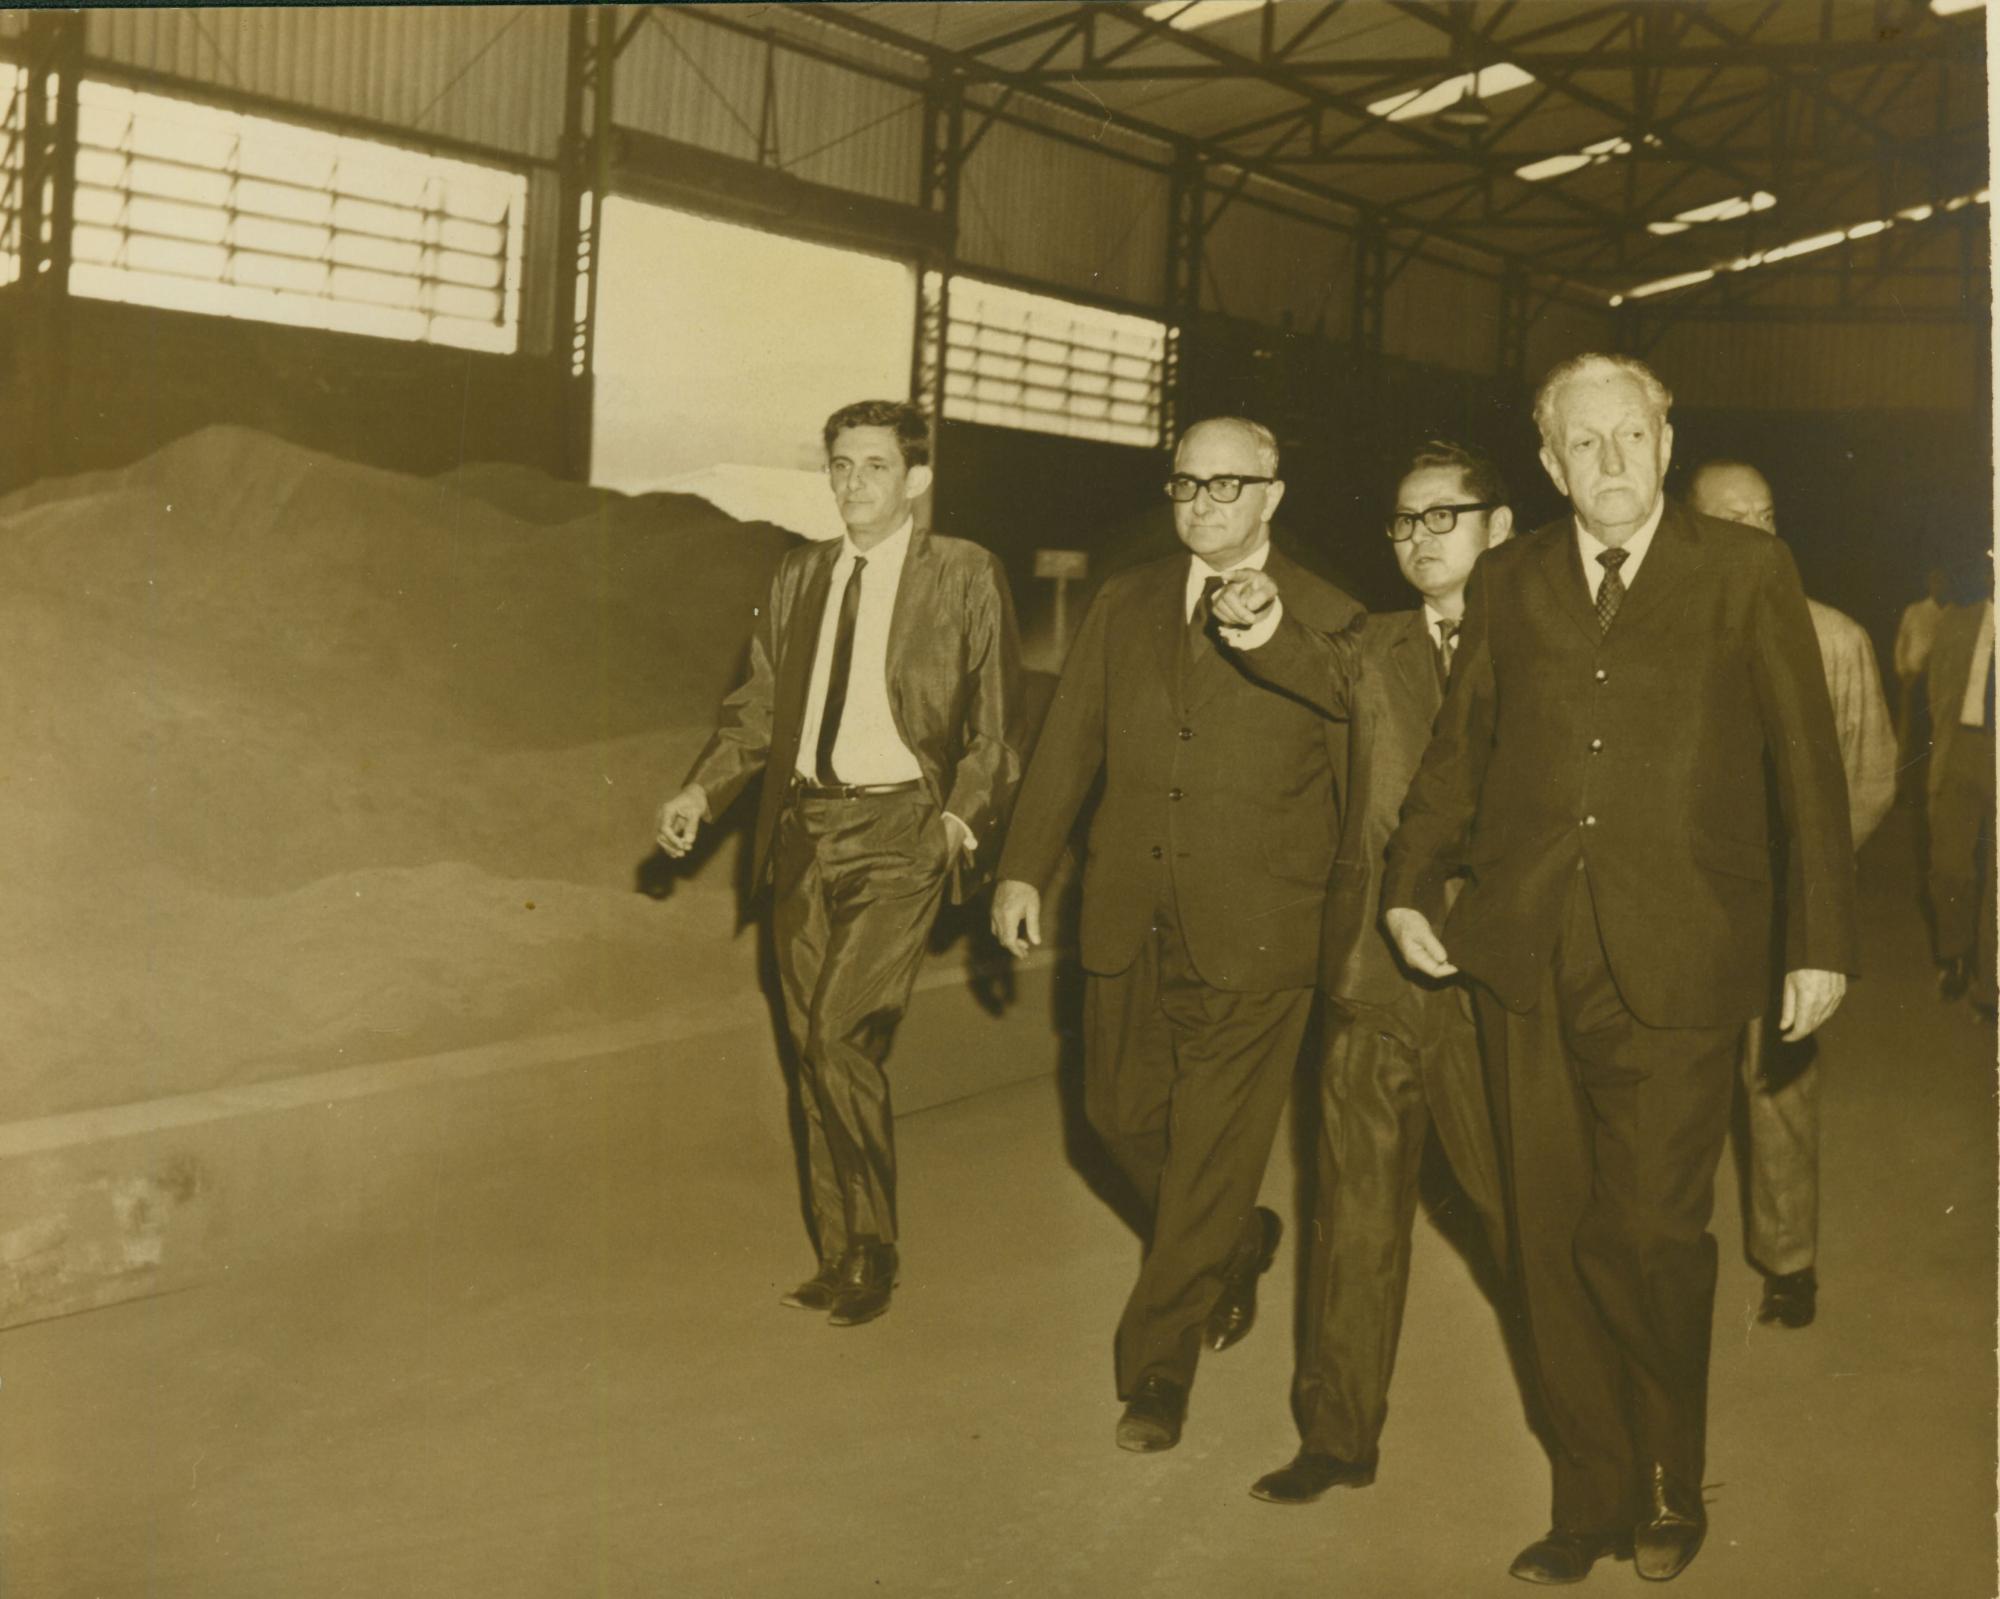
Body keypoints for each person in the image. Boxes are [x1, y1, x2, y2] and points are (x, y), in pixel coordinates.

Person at [1380, 354, 1857, 1585]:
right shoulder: (1508, 578)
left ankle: (1662, 1476)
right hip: (1524, 951)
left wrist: (1817, 941)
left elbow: (1804, 764)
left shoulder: (1743, 571)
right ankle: (1586, 1494)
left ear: (1663, 444)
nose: (1608, 461)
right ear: (1548, 465)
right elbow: (1457, 750)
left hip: (1682, 952)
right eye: (1581, 443)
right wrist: (1405, 885)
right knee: (1543, 1238)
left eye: (1628, 436)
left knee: (1646, 1233)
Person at [989, 416, 1359, 1454]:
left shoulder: (1331, 616)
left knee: (1205, 1154)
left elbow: (1358, 779)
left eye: (1225, 485)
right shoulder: (1125, 601)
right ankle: (1232, 1240)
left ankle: (1156, 1369)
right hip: (1127, 911)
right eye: (1186, 484)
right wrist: (1022, 865)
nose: (1201, 503)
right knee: (1112, 1115)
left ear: (1272, 496)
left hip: (1259, 932)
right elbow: (1070, 741)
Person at [655, 399, 1022, 1328]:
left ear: (916, 479)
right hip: (803, 830)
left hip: (904, 831)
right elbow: (757, 709)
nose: (854, 482)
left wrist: (954, 824)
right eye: (841, 465)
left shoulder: (965, 572)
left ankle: (875, 1245)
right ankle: (838, 1251)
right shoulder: (799, 575)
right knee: (810, 1047)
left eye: (875, 465)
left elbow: (995, 728)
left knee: (837, 1034)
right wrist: (702, 792)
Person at [1206, 439, 1511, 1505]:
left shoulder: (1552, 648)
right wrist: (1254, 618)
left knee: (1519, 1217)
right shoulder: (1368, 646)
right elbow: (1298, 655)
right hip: (1374, 979)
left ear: (1499, 529)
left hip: (1498, 992)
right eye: (1404, 520)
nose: (1421, 538)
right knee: (1354, 1217)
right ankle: (1337, 1436)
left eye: (1444, 516)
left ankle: (1594, 1430)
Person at [1686, 460, 1896, 1331]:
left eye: (1766, 515)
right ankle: (1665, 1249)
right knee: (1675, 1083)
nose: (1756, 532)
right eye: (1733, 518)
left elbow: (1872, 776)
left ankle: (1788, 1260)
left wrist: (1809, 881)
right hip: (1688, 904)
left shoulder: (1835, 637)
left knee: (1780, 1083)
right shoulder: (1666, 634)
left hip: (1783, 907)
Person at [1924, 564, 1995, 1014]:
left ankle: (1990, 986)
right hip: (1962, 751)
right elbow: (1936, 693)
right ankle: (1956, 955)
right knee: (1948, 865)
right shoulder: (1959, 620)